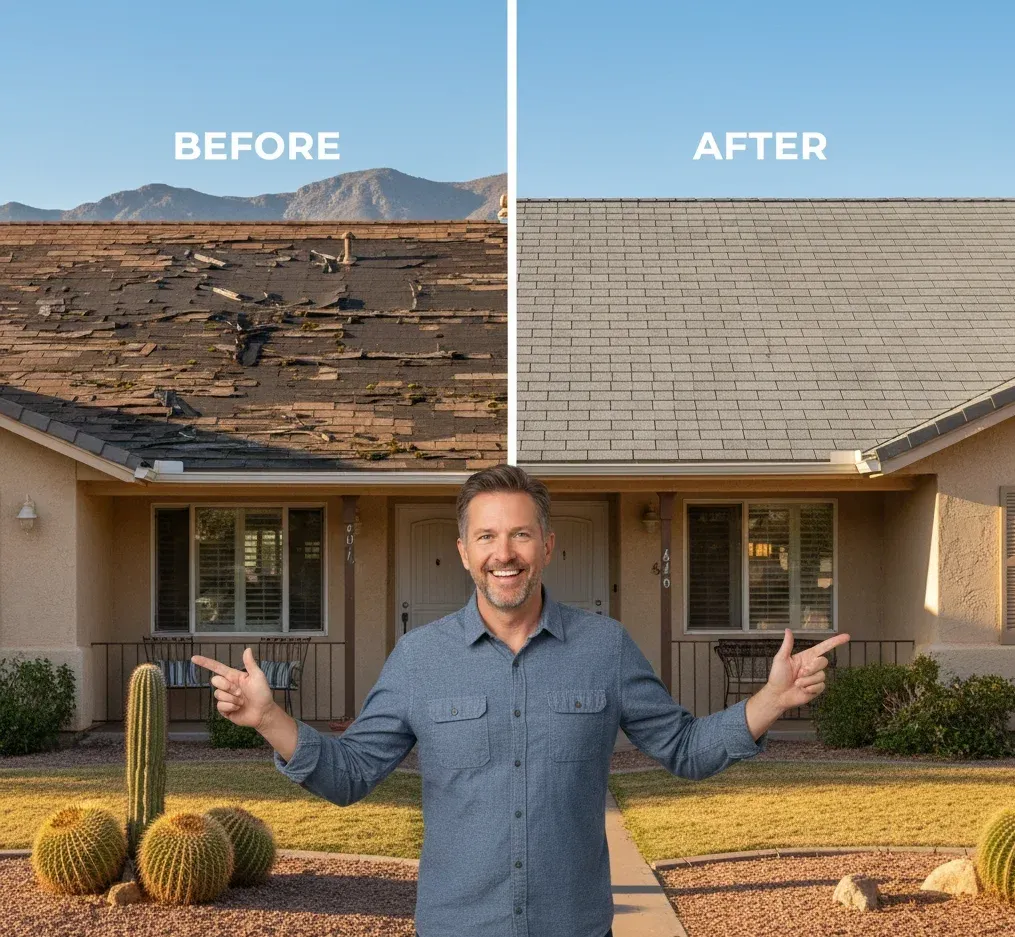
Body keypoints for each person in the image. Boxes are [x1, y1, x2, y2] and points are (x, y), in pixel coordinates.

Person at [192, 465, 849, 937]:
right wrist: (268, 717)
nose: (502, 554)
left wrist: (768, 699)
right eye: (486, 537)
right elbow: (350, 773)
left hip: (574, 924)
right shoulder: (419, 658)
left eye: (520, 536)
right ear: (462, 550)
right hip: (455, 925)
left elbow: (682, 749)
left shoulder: (604, 647)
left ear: (547, 545)